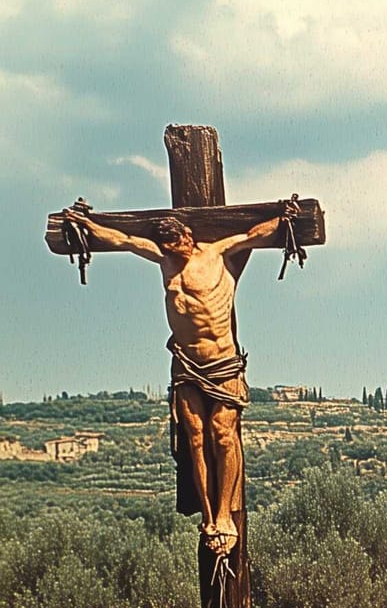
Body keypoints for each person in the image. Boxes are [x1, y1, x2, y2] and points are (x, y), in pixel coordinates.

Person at [63, 207, 290, 555]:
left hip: (222, 362)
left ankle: (226, 515)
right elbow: (124, 240)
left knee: (223, 434)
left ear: (188, 236)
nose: (173, 253)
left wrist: (285, 218)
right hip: (185, 363)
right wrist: (89, 225)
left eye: (177, 246)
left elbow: (251, 235)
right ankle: (210, 515)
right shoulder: (164, 259)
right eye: (166, 248)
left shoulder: (216, 253)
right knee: (195, 438)